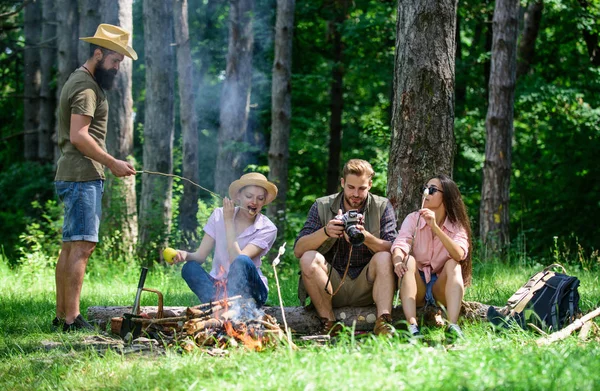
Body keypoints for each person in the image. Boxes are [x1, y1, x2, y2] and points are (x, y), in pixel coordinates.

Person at [53, 24, 138, 332]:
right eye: (115, 61)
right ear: (98, 53)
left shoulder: (83, 81)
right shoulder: (87, 87)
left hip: (77, 174)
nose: (117, 68)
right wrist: (112, 161)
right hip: (81, 175)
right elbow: (78, 135)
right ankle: (72, 319)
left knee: (71, 246)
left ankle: (63, 315)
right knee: (82, 247)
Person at [294, 159, 398, 336]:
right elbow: (298, 249)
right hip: (331, 286)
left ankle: (383, 322)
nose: (356, 194)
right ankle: (330, 323)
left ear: (370, 185)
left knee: (384, 257)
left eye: (362, 188)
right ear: (342, 183)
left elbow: (394, 249)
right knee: (308, 258)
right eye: (351, 187)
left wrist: (366, 238)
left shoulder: (381, 206)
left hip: (368, 286)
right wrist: (326, 231)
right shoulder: (322, 205)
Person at [169, 173, 278, 307]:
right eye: (249, 196)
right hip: (219, 288)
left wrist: (228, 222)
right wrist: (184, 255)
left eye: (260, 198)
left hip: (251, 291)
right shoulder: (218, 215)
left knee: (242, 260)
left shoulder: (267, 228)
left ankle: (222, 307)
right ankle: (219, 306)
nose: (254, 202)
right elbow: (200, 256)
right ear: (238, 196)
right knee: (189, 268)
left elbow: (237, 262)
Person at [391, 174, 472, 342]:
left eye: (432, 190)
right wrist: (398, 260)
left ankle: (453, 326)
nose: (426, 193)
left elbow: (459, 254)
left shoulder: (457, 224)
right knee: (409, 260)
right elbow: (400, 244)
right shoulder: (413, 218)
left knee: (453, 264)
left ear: (446, 196)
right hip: (417, 283)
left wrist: (435, 227)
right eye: (425, 189)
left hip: (441, 286)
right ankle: (412, 326)